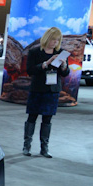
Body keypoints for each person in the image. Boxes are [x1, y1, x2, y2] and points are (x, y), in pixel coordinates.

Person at [23, 26, 69, 158]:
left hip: (52, 90)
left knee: (47, 119)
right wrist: (46, 63)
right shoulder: (34, 51)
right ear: (47, 38)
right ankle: (27, 146)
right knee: (32, 117)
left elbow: (65, 73)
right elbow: (30, 70)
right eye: (53, 39)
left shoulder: (61, 53)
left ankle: (44, 148)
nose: (55, 42)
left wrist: (64, 65)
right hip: (37, 89)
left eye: (57, 40)